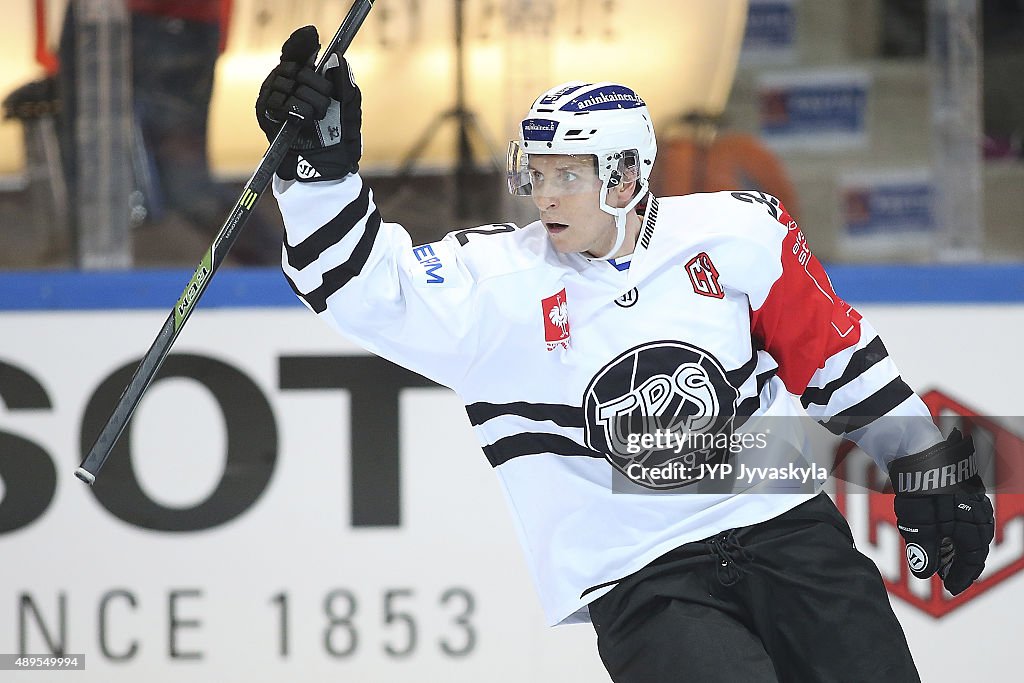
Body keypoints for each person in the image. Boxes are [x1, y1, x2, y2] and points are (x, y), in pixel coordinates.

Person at [256, 27, 995, 682]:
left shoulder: (737, 233)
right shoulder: (494, 286)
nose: (545, 193)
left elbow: (836, 355)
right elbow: (354, 286)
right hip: (644, 579)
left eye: (568, 174)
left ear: (629, 176)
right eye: (538, 171)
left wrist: (923, 458)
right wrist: (321, 175)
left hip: (789, 530)